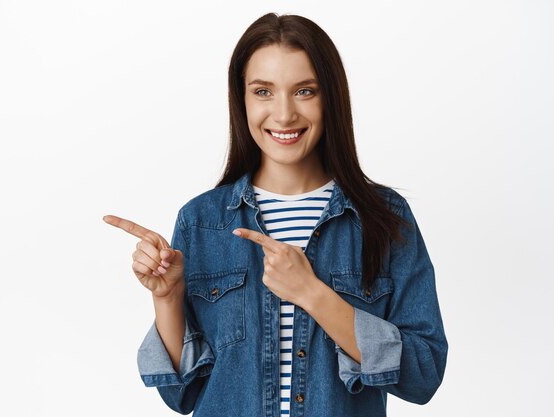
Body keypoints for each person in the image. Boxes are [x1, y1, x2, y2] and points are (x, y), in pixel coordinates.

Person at [103, 12, 448, 417]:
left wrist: (312, 294)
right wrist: (168, 299)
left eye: (304, 91)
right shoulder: (201, 222)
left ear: (330, 98)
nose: (284, 115)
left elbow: (424, 374)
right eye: (263, 92)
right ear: (242, 99)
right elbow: (184, 396)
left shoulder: (384, 218)